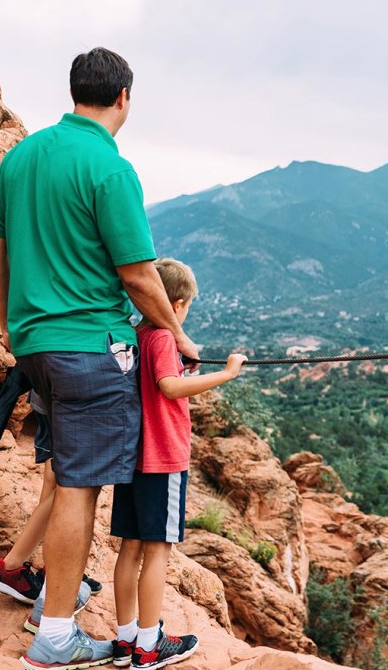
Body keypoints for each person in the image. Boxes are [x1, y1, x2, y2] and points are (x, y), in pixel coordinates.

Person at [0, 47, 199, 670]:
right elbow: (137, 273)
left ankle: (47, 607)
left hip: (37, 346)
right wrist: (176, 337)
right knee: (79, 487)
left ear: (75, 91)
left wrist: (10, 327)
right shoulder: (109, 166)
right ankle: (54, 635)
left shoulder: (21, 156)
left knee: (62, 476)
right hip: (91, 349)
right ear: (124, 97)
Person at [110, 258, 246, 669]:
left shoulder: (139, 334)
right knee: (158, 551)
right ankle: (149, 647)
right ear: (179, 303)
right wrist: (228, 373)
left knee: (129, 548)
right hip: (162, 457)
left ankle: (126, 638)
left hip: (132, 458)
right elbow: (169, 387)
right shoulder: (166, 338)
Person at [0, 391, 102, 616]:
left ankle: (51, 573)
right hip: (72, 396)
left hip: (48, 392)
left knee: (55, 480)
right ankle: (11, 566)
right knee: (74, 487)